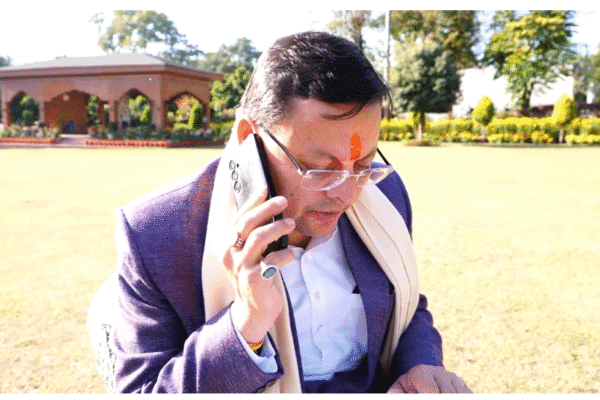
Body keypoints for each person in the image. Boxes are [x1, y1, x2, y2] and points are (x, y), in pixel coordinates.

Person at [111, 31, 471, 393]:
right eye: (319, 168)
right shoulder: (155, 235)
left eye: (363, 164)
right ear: (249, 136)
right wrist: (244, 325)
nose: (347, 195)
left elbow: (404, 305)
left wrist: (420, 366)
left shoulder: (385, 198)